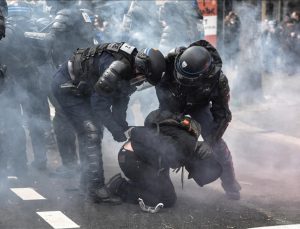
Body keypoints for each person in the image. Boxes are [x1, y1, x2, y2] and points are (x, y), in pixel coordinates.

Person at [51, 42, 166, 203]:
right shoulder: (116, 68)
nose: (141, 83)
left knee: (92, 131)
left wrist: (122, 126)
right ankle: (95, 188)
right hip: (67, 86)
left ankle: (86, 184)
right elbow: (99, 106)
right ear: (140, 68)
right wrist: (115, 130)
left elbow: (121, 99)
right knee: (91, 132)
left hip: (83, 89)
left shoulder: (132, 70)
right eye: (143, 78)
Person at [155, 40, 241, 200]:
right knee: (162, 138)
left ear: (204, 74)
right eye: (180, 73)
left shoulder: (218, 81)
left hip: (198, 106)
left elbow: (223, 115)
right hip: (172, 102)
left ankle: (230, 184)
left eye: (187, 78)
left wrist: (209, 142)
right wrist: (168, 107)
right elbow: (159, 81)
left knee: (217, 145)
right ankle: (161, 184)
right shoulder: (172, 58)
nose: (181, 78)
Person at [106, 109, 222, 208]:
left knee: (166, 193)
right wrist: (132, 131)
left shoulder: (188, 144)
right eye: (195, 174)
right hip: (131, 158)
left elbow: (161, 154)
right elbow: (146, 136)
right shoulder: (184, 148)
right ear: (200, 164)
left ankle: (138, 183)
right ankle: (119, 186)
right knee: (167, 199)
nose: (190, 173)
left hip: (138, 158)